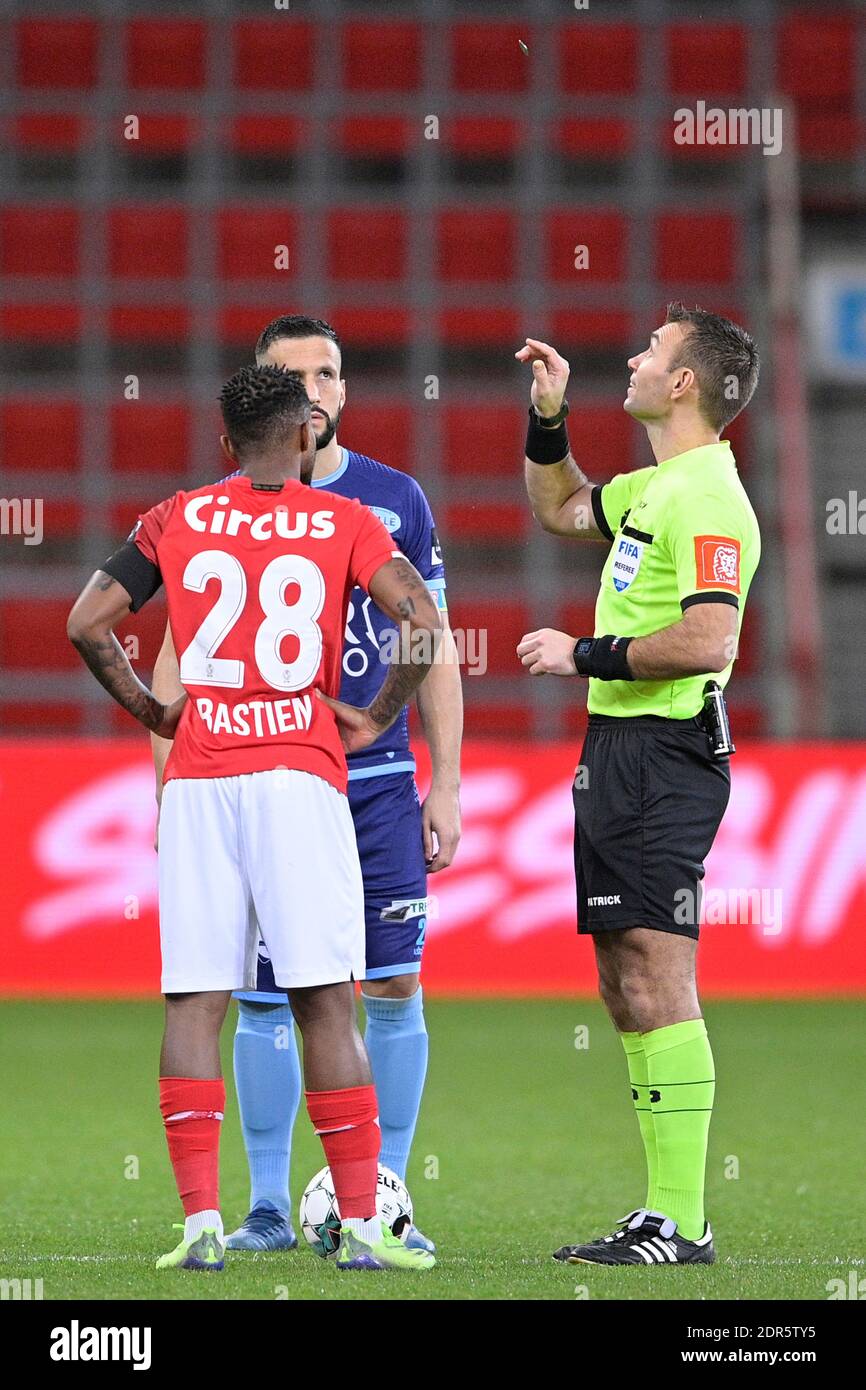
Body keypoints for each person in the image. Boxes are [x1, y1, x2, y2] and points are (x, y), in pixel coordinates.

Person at [67, 365, 441, 1273]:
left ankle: (201, 1226)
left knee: (197, 998)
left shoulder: (179, 516)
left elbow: (88, 621)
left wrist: (156, 714)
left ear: (226, 445)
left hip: (199, 780)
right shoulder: (348, 521)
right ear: (307, 438)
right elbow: (422, 621)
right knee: (324, 998)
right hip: (299, 777)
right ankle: (360, 1224)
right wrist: (381, 714)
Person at [150, 316, 462, 1254]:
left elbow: (433, 640)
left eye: (331, 372)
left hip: (370, 781)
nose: (317, 390)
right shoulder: (217, 506)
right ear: (268, 397)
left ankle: (384, 1194)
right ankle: (269, 1206)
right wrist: (168, 785)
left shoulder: (394, 498)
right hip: (272, 775)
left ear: (342, 392)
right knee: (264, 995)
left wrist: (444, 783)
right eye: (298, 377)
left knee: (392, 982)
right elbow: (177, 658)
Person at [515, 303, 761, 1265]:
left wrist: (587, 652)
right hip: (621, 751)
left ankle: (682, 1223)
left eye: (653, 350)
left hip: (665, 752)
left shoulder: (709, 499)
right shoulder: (657, 487)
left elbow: (712, 638)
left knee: (658, 971)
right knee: (623, 977)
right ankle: (666, 1213)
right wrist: (549, 417)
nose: (635, 357)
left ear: (686, 382)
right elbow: (562, 506)